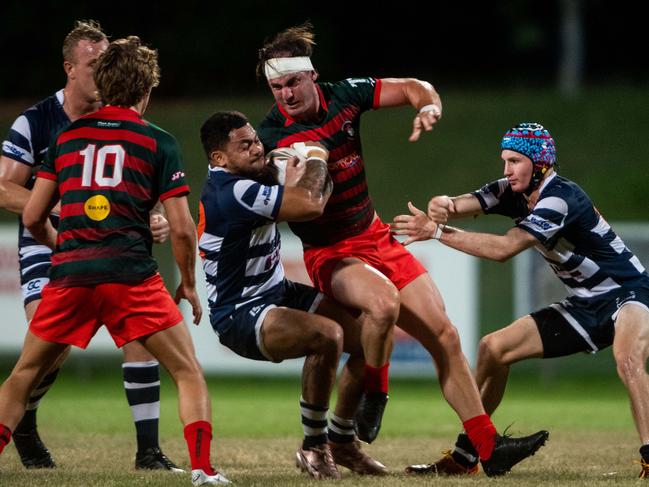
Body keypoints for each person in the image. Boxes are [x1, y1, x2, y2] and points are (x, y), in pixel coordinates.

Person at [256, 23, 548, 476]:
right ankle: (375, 392)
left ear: (313, 76)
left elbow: (415, 87)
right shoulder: (274, 137)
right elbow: (275, 198)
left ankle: (488, 450)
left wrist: (428, 104)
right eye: (276, 87)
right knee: (382, 305)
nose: (286, 94)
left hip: (374, 235)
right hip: (330, 252)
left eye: (292, 82)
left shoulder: (345, 95)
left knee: (446, 336)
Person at [0, 36, 230, 486]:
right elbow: (183, 228)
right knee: (187, 371)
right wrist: (186, 283)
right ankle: (202, 469)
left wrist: (60, 242)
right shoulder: (156, 141)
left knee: (23, 374)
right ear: (146, 89)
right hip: (130, 278)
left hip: (71, 275)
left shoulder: (65, 136)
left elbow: (31, 214)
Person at [391, 122, 649, 478]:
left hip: (629, 291)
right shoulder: (511, 189)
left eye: (515, 161)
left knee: (628, 360)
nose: (506, 170)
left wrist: (436, 231)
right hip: (586, 302)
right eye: (504, 161)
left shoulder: (560, 197)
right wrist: (443, 204)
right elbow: (464, 203)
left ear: (540, 163)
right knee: (492, 349)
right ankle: (468, 456)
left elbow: (504, 249)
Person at [198, 110, 387, 479]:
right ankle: (314, 447)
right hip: (240, 311)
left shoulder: (249, 176)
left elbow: (312, 196)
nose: (257, 148)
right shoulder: (234, 190)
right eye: (245, 144)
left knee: (370, 335)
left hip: (275, 291)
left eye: (256, 139)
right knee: (327, 336)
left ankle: (342, 440)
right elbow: (313, 204)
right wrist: (317, 157)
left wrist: (308, 177)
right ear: (219, 158)